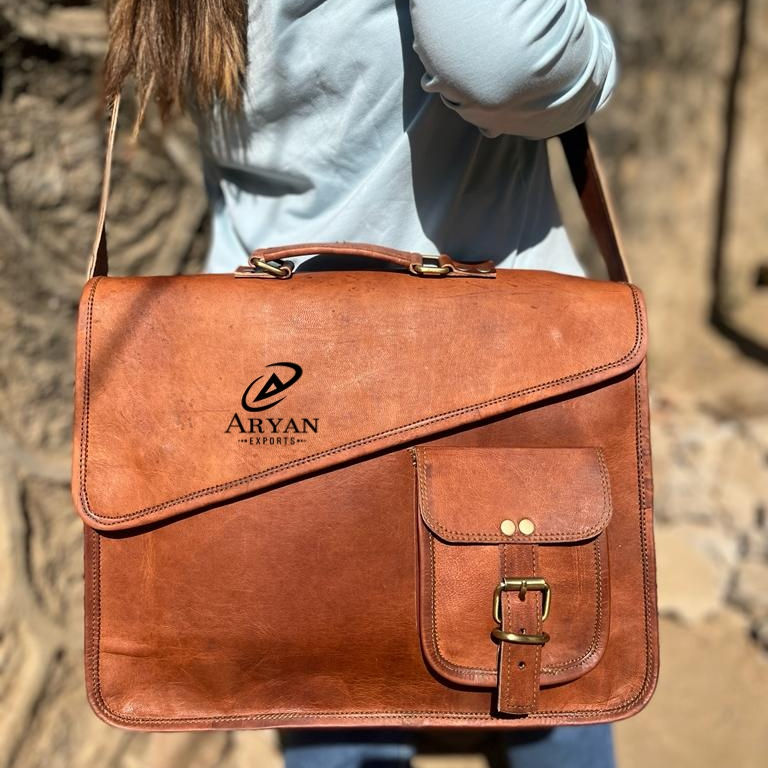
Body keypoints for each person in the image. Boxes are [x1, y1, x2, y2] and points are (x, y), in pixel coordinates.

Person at [103, 1, 619, 766]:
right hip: (498, 364)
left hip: (275, 384)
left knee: (330, 689)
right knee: (547, 671)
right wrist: (594, 50)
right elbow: (505, 59)